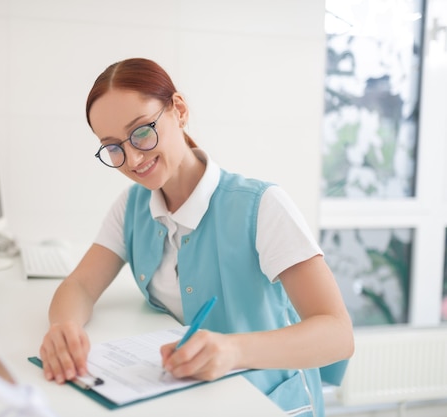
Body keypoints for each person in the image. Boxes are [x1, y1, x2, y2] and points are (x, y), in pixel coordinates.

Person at [39, 57, 354, 416]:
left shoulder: (261, 206)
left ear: (179, 110)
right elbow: (80, 285)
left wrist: (233, 350)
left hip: (263, 403)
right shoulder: (133, 205)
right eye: (113, 147)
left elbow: (337, 334)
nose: (131, 158)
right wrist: (64, 328)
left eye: (141, 131)